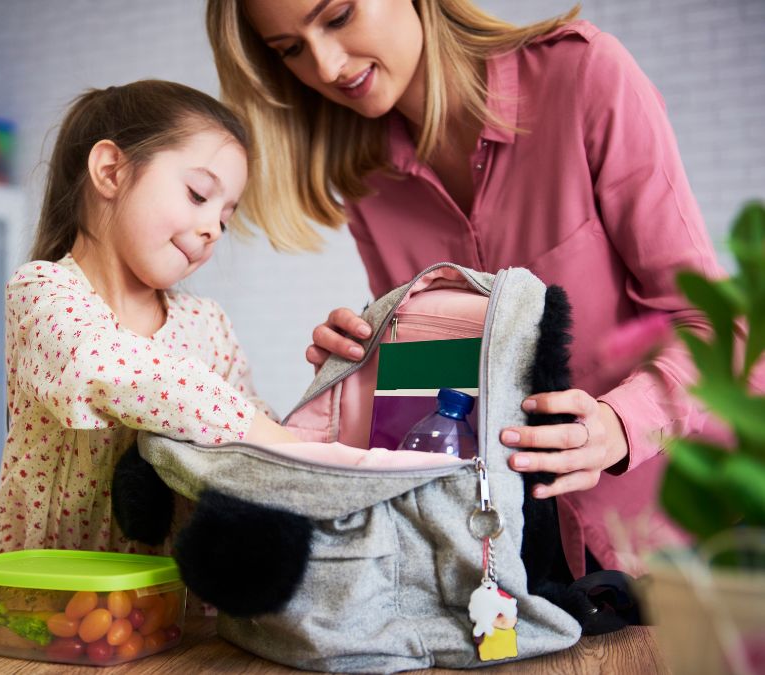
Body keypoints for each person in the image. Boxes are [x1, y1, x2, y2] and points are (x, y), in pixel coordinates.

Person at [205, 0, 727, 579]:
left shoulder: (582, 75)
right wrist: (367, 369)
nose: (326, 66)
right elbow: (445, 391)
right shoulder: (366, 174)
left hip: (685, 537)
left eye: (338, 16)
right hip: (517, 563)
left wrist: (617, 426)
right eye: (291, 50)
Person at [0, 80, 297, 557]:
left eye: (226, 217)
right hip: (51, 602)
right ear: (111, 172)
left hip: (175, 605)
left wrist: (314, 417)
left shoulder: (207, 324)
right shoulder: (43, 292)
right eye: (197, 194)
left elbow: (254, 441)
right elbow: (100, 367)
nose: (213, 229)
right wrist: (258, 429)